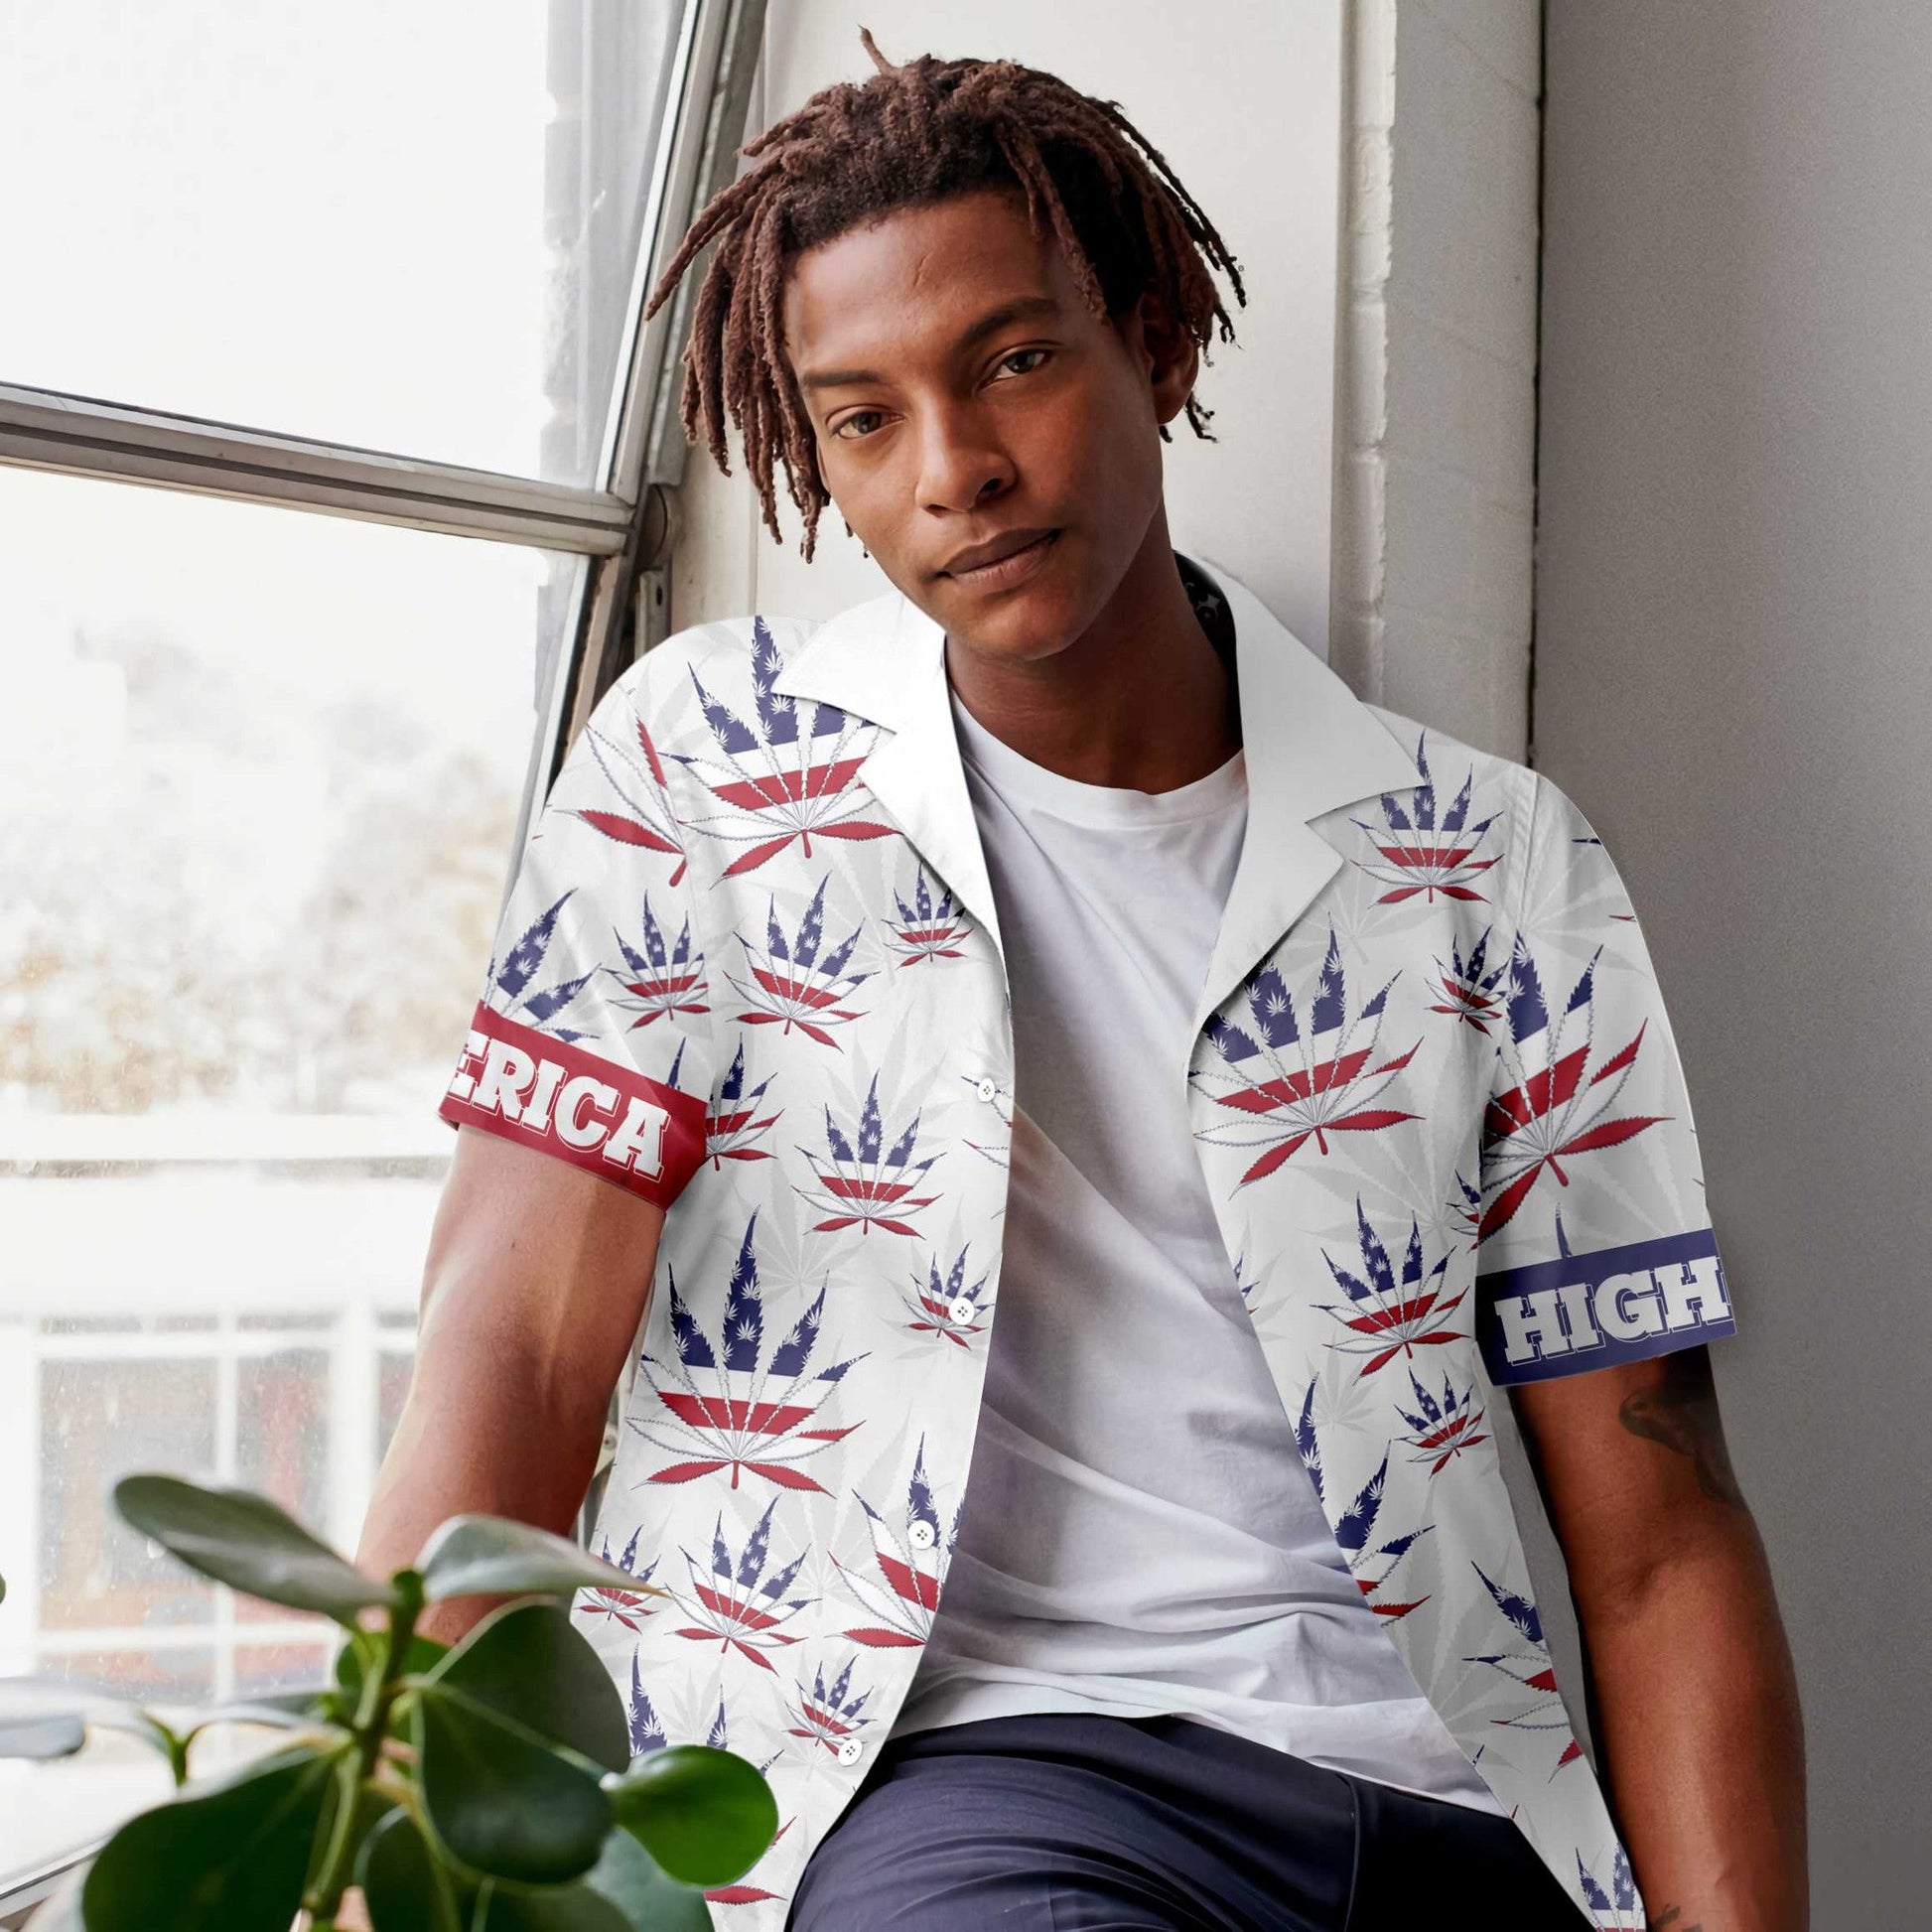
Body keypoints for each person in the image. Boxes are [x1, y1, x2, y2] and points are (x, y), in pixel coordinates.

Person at [358, 35, 1805, 1931]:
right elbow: (517, 1356)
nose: (953, 470)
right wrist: (374, 1854)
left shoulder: (1490, 862)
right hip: (986, 1778)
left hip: (1446, 1799)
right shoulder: (703, 771)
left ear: (1158, 341)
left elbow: (1660, 1530)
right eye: (861, 420)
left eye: (1013, 362)